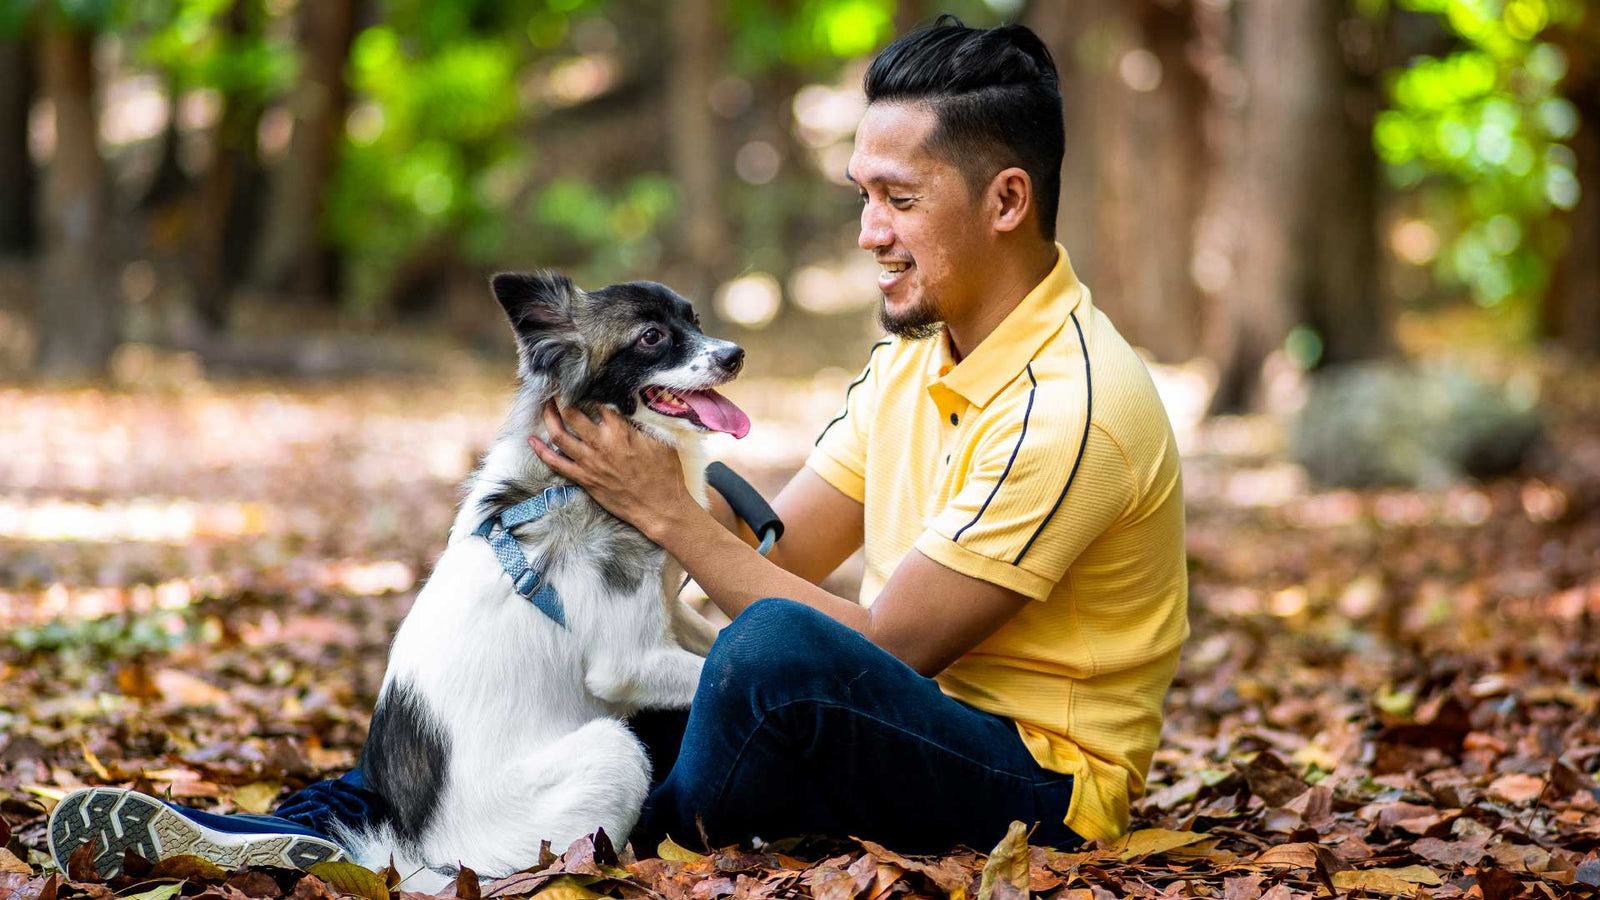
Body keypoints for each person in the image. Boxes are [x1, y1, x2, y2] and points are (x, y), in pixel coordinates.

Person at [51, 16, 1187, 872]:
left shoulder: (1071, 401)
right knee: (575, 674)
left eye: (896, 197)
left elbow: (887, 650)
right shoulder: (909, 365)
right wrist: (578, 549)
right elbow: (778, 556)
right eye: (860, 195)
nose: (866, 234)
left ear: (1004, 201)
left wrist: (670, 518)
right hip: (887, 719)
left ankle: (534, 849)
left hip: (1030, 784)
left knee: (769, 662)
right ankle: (310, 835)